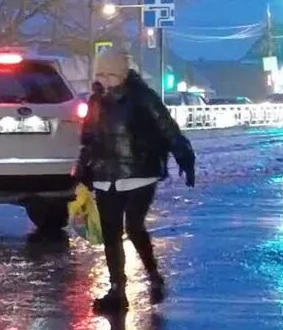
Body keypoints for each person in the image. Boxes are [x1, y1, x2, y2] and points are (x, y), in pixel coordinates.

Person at [74, 46, 196, 312]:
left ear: (122, 73)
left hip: (140, 172)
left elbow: (168, 128)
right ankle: (117, 290)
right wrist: (82, 168)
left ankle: (153, 275)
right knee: (110, 232)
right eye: (100, 74)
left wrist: (184, 156)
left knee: (134, 226)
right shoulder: (95, 101)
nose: (103, 80)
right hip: (106, 175)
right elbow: (89, 138)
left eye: (109, 74)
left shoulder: (143, 97)